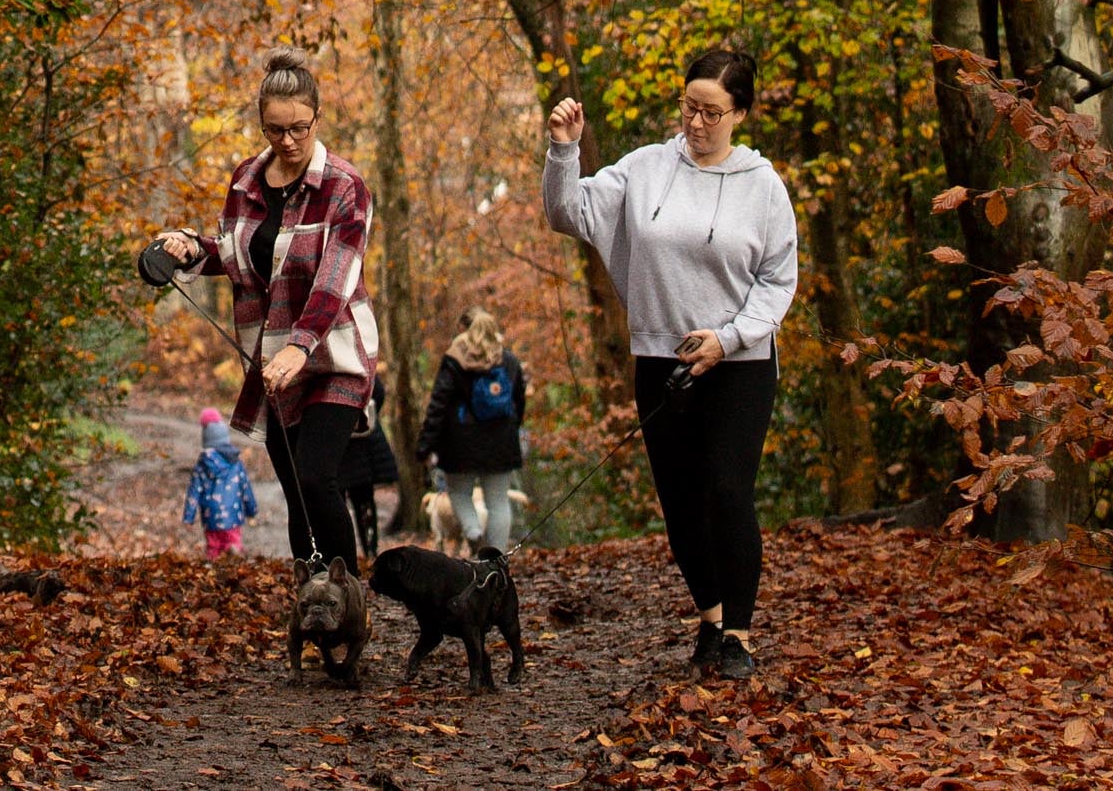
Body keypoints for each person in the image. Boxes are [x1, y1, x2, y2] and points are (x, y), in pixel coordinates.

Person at [541, 46, 800, 680]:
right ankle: (709, 619)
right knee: (680, 500)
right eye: (689, 107)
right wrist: (564, 151)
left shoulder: (762, 186)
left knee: (727, 490)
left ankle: (738, 633)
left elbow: (778, 279)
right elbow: (566, 213)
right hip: (660, 356)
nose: (697, 122)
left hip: (737, 362)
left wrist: (731, 338)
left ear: (739, 113)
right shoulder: (645, 170)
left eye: (712, 112)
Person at [144, 54, 379, 578]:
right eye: (275, 129)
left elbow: (334, 280)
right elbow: (239, 257)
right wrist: (189, 248)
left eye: (299, 127)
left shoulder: (345, 186)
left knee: (318, 478)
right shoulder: (246, 180)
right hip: (272, 363)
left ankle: (347, 597)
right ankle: (313, 599)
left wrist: (301, 346)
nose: (288, 140)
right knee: (297, 493)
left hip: (334, 355)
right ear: (261, 124)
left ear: (317, 118)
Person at [416, 305, 529, 551]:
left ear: (463, 330)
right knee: (498, 502)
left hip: (460, 443)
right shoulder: (508, 360)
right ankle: (497, 560)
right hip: (501, 441)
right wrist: (512, 431)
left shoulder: (455, 360)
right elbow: (519, 401)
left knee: (458, 493)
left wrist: (426, 445)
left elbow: (439, 404)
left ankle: (475, 534)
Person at [184, 407, 259, 559]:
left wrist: (188, 517)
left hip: (210, 516)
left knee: (213, 546)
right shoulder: (235, 462)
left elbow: (194, 491)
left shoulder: (202, 464)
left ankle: (213, 569)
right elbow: (245, 487)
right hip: (233, 514)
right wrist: (252, 510)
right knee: (234, 542)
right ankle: (235, 562)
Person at [340, 381, 399, 559]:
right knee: (364, 503)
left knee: (337, 502)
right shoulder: (361, 361)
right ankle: (370, 550)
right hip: (363, 442)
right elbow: (378, 392)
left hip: (341, 449)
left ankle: (341, 553)